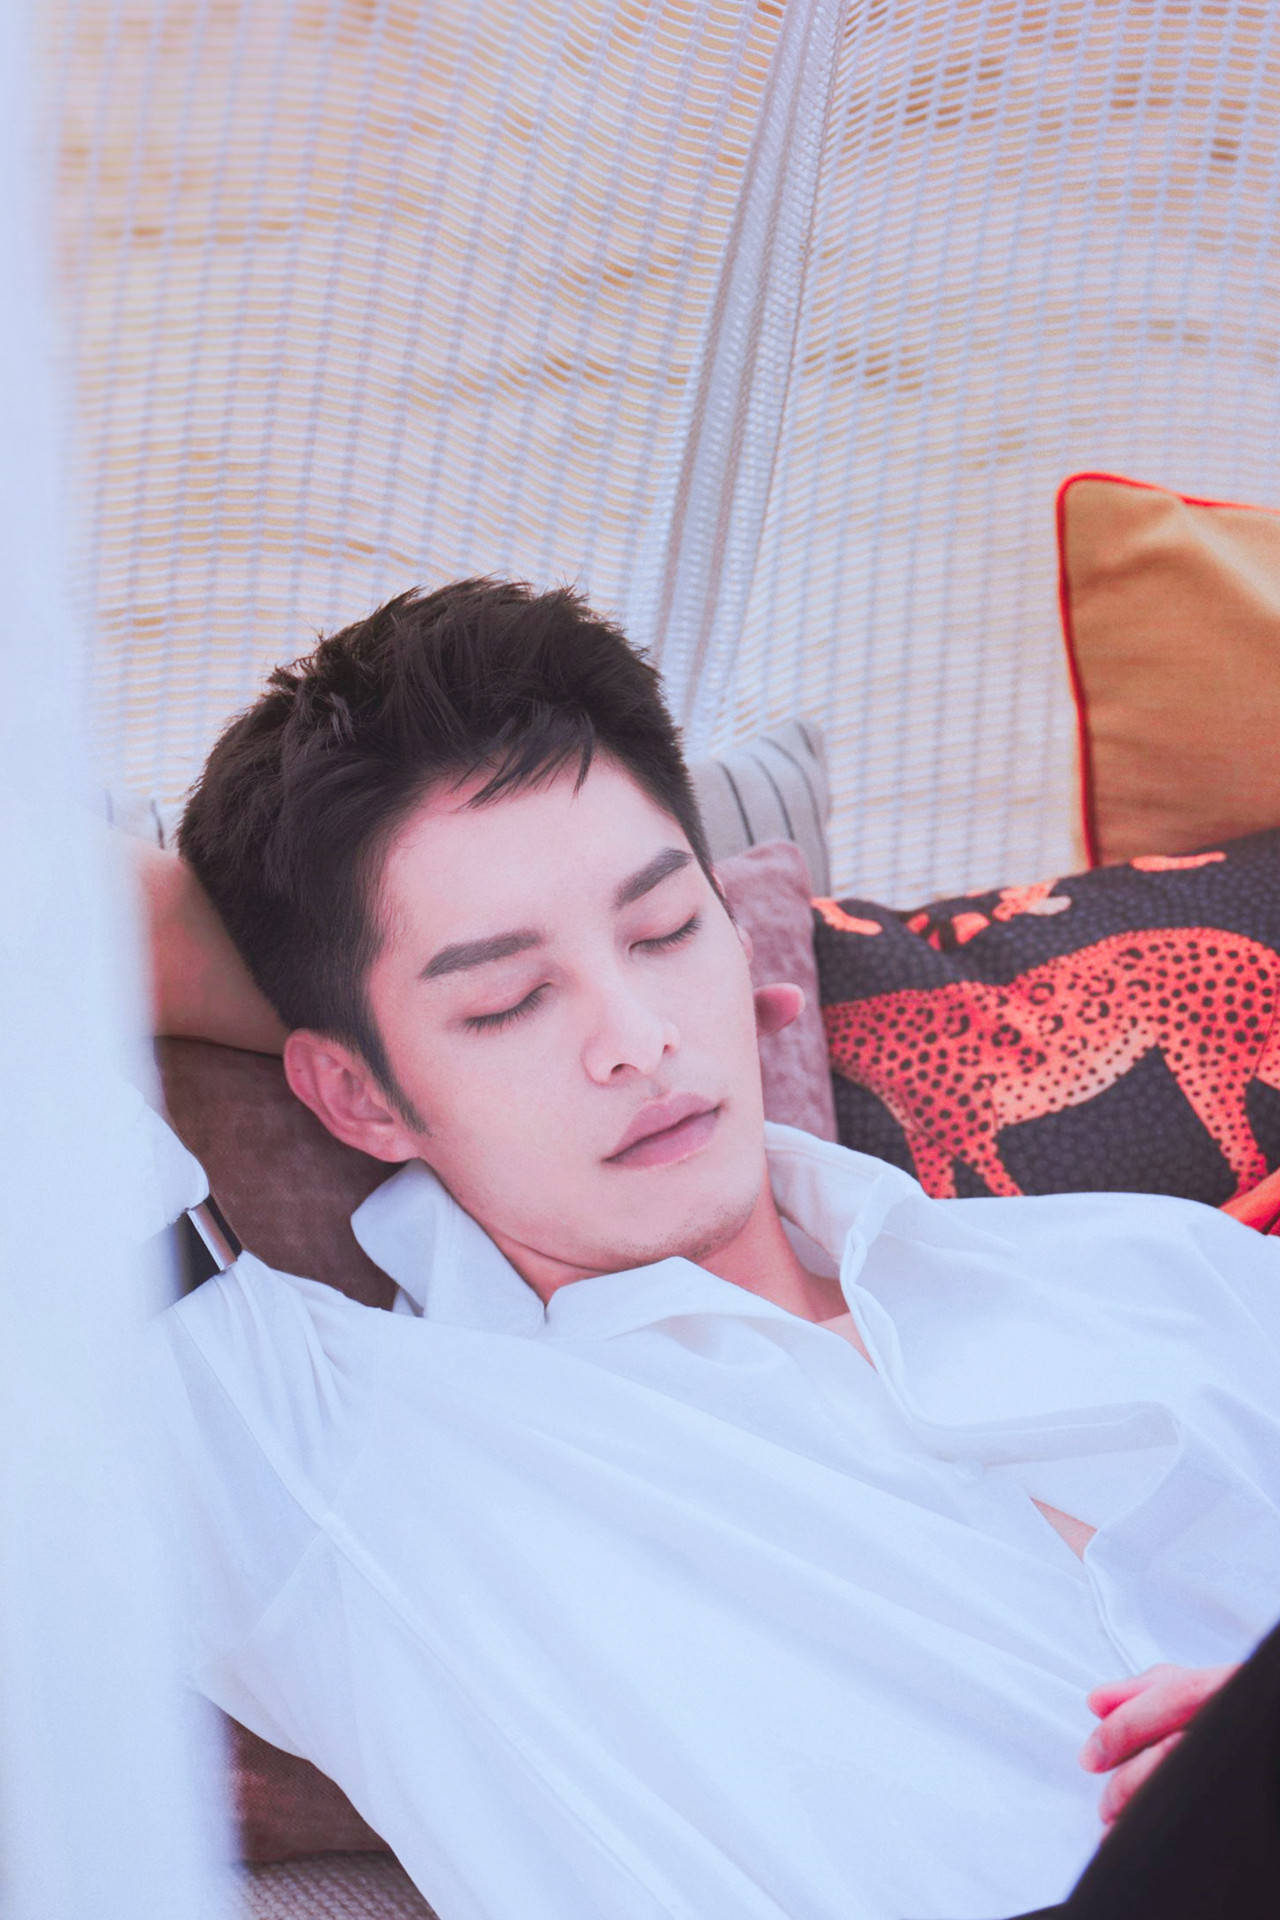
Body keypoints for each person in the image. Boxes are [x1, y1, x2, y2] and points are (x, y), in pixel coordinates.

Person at [136, 578, 1280, 1920]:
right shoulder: (330, 1459)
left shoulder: (1170, 1271)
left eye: (667, 931)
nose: (640, 1037)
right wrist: (328, 1012)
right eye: (507, 1001)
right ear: (351, 1096)